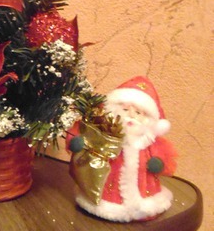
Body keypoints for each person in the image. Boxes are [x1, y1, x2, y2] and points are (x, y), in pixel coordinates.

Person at [69, 76, 177, 222]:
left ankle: (142, 207)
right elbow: (85, 136)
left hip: (144, 189)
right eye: (125, 110)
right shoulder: (108, 133)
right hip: (107, 188)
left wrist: (159, 163)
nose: (131, 116)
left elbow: (164, 156)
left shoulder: (147, 140)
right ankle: (107, 204)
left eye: (138, 113)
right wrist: (78, 142)